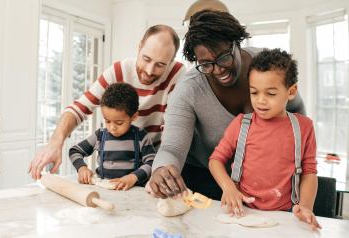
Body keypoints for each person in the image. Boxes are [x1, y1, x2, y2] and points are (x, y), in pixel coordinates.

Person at [149, 10, 306, 200]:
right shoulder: (188, 89)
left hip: (263, 179)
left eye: (224, 57)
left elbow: (296, 108)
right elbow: (172, 148)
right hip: (205, 179)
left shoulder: (268, 66)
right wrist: (161, 170)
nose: (218, 70)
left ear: (236, 43)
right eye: (206, 64)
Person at [29, 25, 186, 180]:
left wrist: (159, 169)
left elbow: (173, 130)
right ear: (139, 47)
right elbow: (80, 107)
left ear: (171, 61)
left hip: (155, 163)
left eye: (160, 65)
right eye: (146, 59)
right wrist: (55, 142)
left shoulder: (177, 74)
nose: (150, 71)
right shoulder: (119, 71)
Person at [208, 49, 320, 229]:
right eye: (254, 92)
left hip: (284, 216)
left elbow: (309, 172)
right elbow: (215, 160)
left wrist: (306, 207)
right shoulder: (241, 124)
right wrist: (228, 188)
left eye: (271, 94)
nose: (260, 101)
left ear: (291, 91)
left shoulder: (304, 127)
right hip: (242, 213)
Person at [69, 83, 156, 190]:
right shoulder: (99, 136)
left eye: (119, 123)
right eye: (107, 121)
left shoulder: (141, 136)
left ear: (134, 116)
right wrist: (82, 168)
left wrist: (133, 177)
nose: (112, 128)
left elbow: (152, 163)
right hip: (103, 190)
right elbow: (75, 151)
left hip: (131, 191)